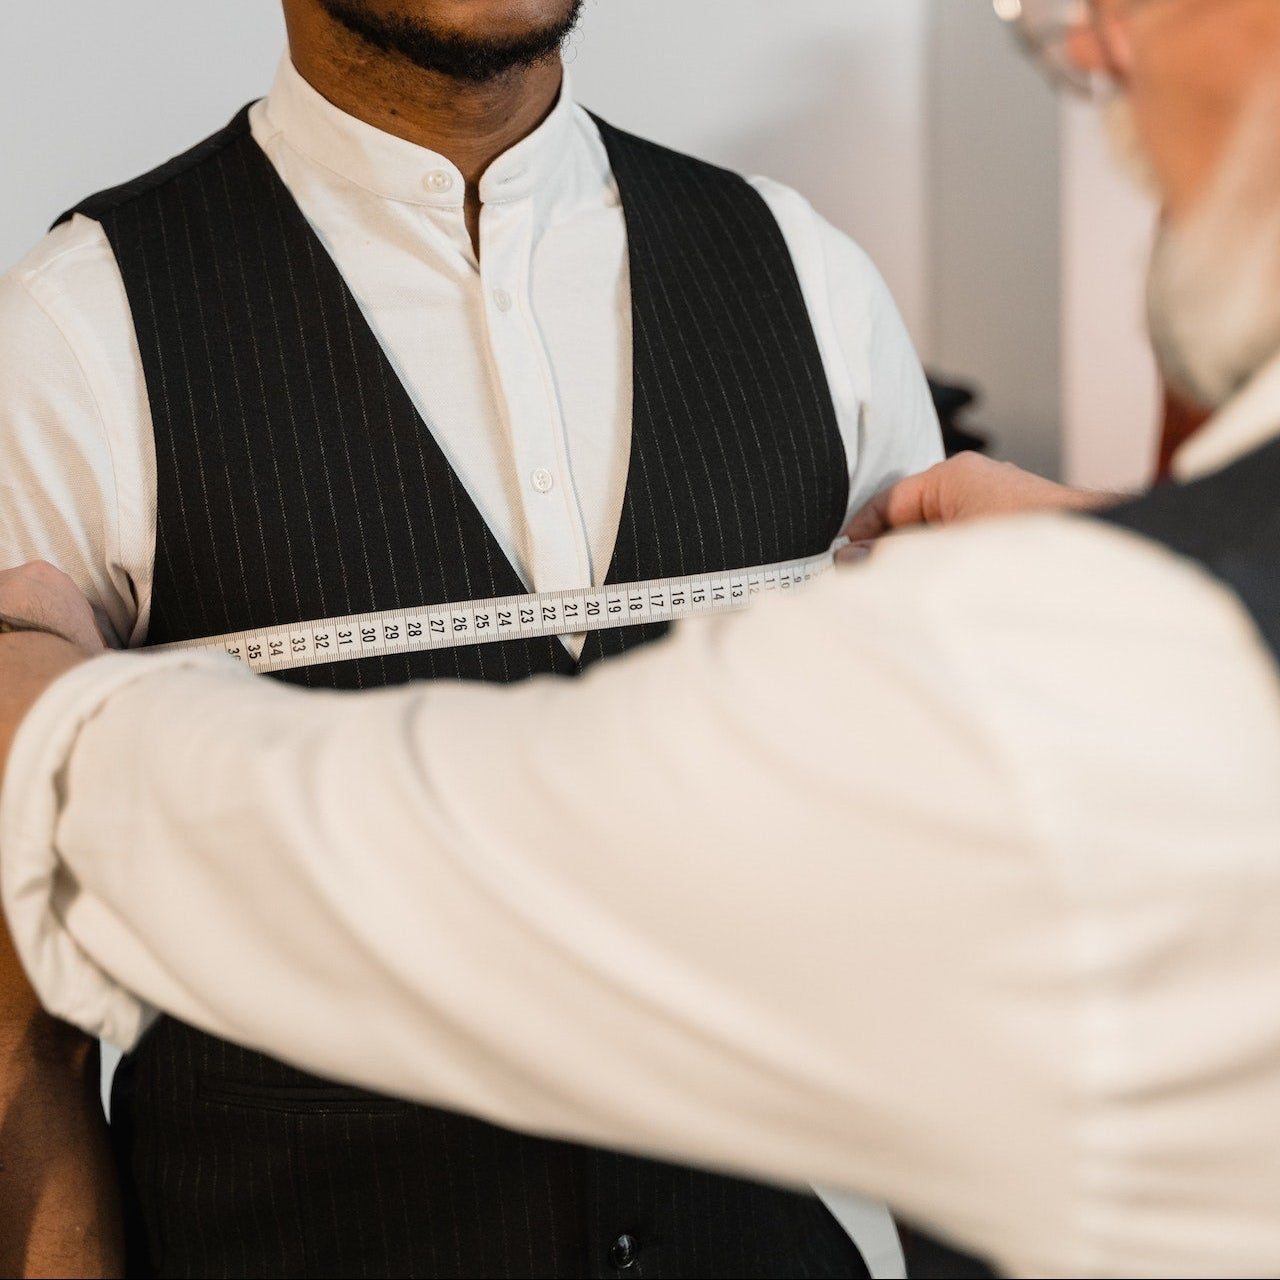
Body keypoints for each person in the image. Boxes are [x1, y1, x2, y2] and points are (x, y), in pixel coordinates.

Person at [6, 0, 1280, 1273]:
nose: (1091, 50)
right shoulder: (71, 333)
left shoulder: (807, 275)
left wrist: (62, 732)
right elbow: (22, 1034)